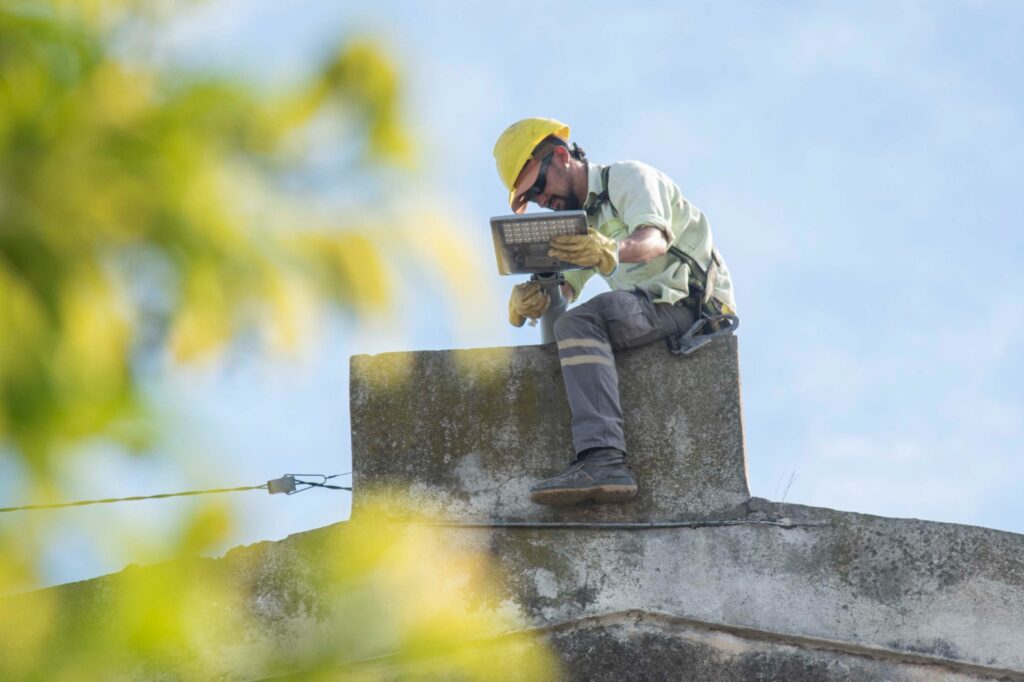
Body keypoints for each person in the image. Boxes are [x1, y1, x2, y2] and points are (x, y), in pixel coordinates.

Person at [493, 117, 738, 506]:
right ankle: (600, 458)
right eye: (532, 198)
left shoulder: (628, 178)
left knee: (582, 323)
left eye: (539, 187)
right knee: (568, 323)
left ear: (561, 156)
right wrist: (532, 299)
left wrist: (611, 250)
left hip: (689, 304)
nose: (542, 201)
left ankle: (604, 460)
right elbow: (566, 286)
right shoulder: (586, 222)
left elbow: (653, 239)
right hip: (647, 307)